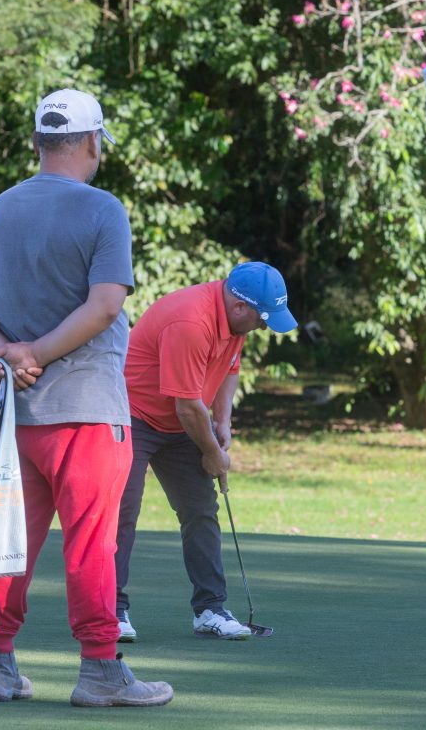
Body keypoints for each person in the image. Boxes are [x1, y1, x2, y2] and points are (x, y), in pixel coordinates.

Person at [0, 88, 172, 708]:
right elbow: (105, 306)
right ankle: (99, 670)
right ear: (94, 142)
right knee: (92, 541)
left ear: (37, 142)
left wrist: (7, 353)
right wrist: (39, 353)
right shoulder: (104, 210)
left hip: (16, 415)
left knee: (8, 540)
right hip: (88, 408)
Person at [115, 261, 297, 641]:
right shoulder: (191, 321)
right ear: (240, 307)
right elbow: (185, 406)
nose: (264, 327)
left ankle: (210, 609)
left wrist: (223, 421)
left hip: (183, 419)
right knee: (123, 512)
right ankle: (111, 612)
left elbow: (230, 368)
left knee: (200, 511)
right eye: (263, 319)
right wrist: (213, 453)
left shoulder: (235, 320)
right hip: (131, 414)